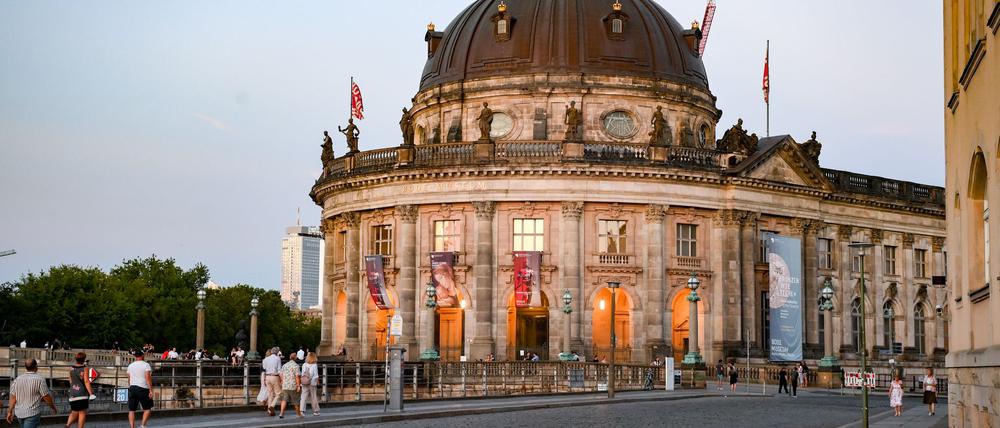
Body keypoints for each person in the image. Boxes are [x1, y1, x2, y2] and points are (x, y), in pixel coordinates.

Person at [6, 359, 57, 428]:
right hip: (32, 413)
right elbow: (46, 396)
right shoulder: (40, 379)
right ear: (36, 366)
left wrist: (10, 411)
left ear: (26, 367)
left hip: (19, 413)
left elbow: (13, 397)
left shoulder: (17, 379)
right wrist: (53, 407)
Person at [66, 352, 95, 428]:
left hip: (72, 393)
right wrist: (91, 393)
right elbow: (86, 381)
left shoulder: (71, 368)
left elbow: (70, 380)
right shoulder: (85, 368)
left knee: (74, 412)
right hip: (82, 394)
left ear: (76, 359)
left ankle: (67, 425)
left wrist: (74, 388)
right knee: (82, 413)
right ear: (84, 359)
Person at [127, 350, 154, 428]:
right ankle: (142, 425)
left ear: (135, 356)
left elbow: (129, 379)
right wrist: (150, 390)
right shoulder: (146, 365)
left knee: (131, 410)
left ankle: (132, 427)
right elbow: (148, 378)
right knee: (147, 408)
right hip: (143, 388)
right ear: (142, 356)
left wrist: (130, 386)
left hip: (132, 387)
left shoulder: (130, 365)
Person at [277, 354, 303, 419]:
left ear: (290, 357)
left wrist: (282, 381)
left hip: (285, 385)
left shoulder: (285, 365)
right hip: (293, 386)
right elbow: (297, 376)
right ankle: (299, 414)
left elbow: (281, 374)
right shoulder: (295, 366)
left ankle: (281, 413)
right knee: (296, 400)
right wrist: (298, 385)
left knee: (284, 400)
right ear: (295, 358)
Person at [262, 347, 283, 416]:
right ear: (277, 352)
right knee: (278, 393)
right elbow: (279, 370)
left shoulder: (265, 359)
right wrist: (282, 378)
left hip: (267, 377)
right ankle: (272, 406)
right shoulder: (278, 358)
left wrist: (264, 379)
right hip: (275, 376)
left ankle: (269, 411)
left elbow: (264, 369)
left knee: (270, 394)